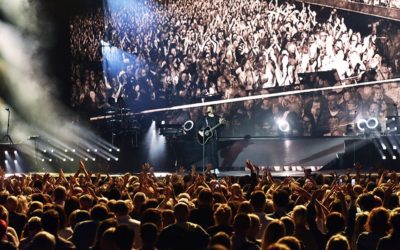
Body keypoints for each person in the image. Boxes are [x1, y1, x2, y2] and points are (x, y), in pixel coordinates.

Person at [197, 105, 225, 170]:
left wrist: (222, 123)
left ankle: (216, 168)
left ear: (214, 110)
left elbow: (222, 127)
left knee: (214, 153)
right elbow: (198, 127)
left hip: (214, 138)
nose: (208, 110)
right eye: (208, 109)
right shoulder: (204, 118)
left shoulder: (217, 118)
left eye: (210, 109)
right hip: (207, 139)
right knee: (209, 154)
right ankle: (211, 169)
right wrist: (200, 132)